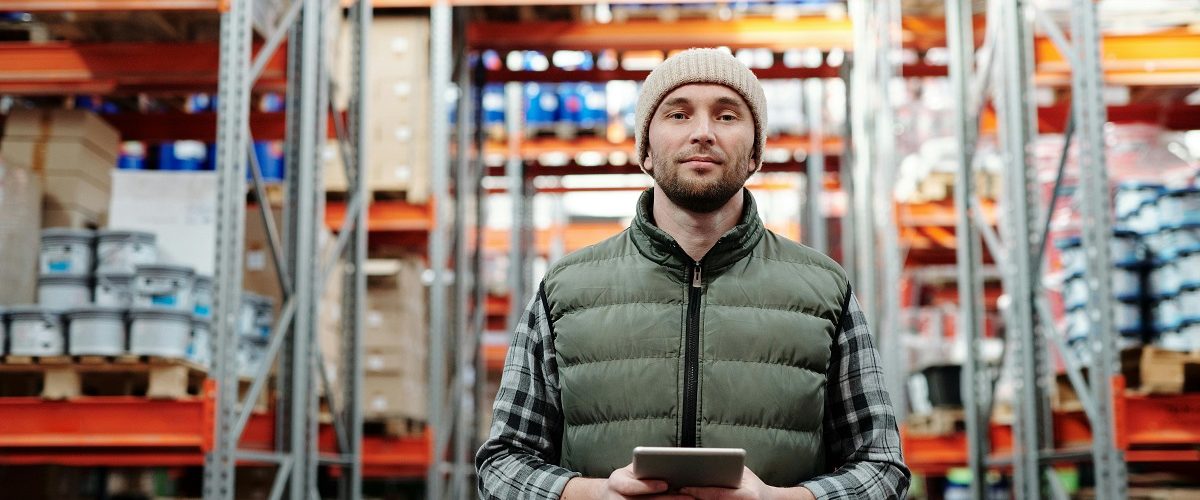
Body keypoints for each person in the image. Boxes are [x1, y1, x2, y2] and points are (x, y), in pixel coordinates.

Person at [476, 48, 910, 500]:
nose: (702, 133)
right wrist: (596, 495)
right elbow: (502, 464)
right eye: (679, 114)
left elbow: (882, 468)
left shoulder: (824, 289)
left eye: (726, 116)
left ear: (755, 154)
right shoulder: (564, 291)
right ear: (644, 149)